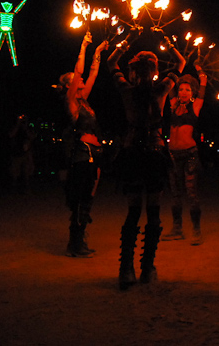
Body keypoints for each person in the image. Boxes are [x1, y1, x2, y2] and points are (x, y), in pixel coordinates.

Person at [107, 37, 178, 289]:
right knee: (154, 210)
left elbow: (110, 63)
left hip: (132, 153)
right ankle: (147, 269)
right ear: (155, 70)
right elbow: (180, 63)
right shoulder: (161, 90)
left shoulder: (126, 89)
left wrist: (123, 44)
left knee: (134, 210)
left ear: (133, 71)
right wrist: (169, 45)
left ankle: (126, 269)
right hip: (155, 152)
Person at [59, 32, 107, 258]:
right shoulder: (72, 103)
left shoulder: (84, 100)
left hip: (96, 153)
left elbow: (93, 73)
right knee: (80, 197)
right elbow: (80, 71)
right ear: (69, 85)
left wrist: (97, 52)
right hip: (82, 153)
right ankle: (74, 244)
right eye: (74, 80)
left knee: (89, 197)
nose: (78, 80)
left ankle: (80, 239)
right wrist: (83, 46)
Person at [163, 63, 208, 245]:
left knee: (191, 194)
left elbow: (203, 85)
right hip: (173, 155)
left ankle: (196, 230)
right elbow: (170, 86)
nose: (182, 92)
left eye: (187, 90)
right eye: (181, 89)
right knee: (175, 194)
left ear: (192, 92)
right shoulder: (173, 105)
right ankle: (177, 229)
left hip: (189, 155)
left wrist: (200, 71)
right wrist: (177, 67)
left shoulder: (195, 106)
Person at [8, 114, 36, 194]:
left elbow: (32, 136)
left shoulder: (28, 127)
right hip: (16, 152)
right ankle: (13, 188)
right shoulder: (14, 126)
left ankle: (27, 188)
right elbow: (11, 134)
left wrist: (25, 126)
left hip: (26, 152)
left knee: (27, 171)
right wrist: (18, 124)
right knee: (15, 171)